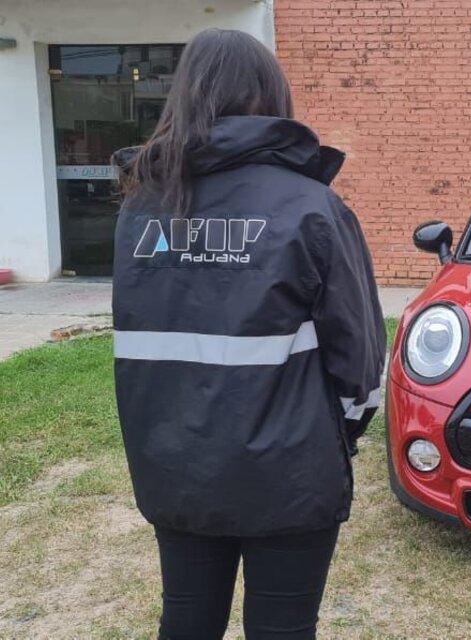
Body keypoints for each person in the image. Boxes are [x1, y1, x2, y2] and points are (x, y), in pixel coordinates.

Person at [111, 29, 385, 639]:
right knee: (283, 629)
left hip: (175, 462)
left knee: (186, 620)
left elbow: (139, 344)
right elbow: (361, 359)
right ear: (270, 96)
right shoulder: (312, 206)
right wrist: (336, 434)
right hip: (291, 471)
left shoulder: (142, 209)